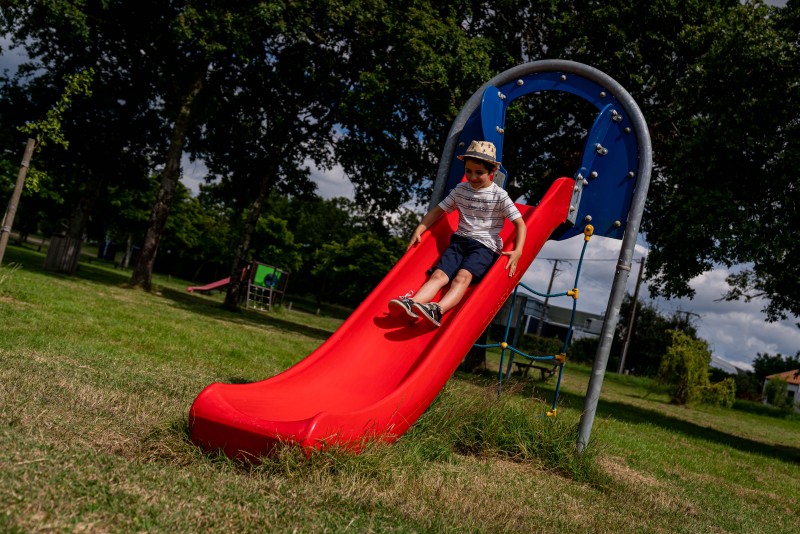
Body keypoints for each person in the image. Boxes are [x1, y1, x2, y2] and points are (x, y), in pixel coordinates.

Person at [388, 140, 526, 327]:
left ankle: (437, 309)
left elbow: (520, 224)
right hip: (459, 241)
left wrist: (518, 251)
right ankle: (413, 305)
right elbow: (438, 211)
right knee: (438, 276)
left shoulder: (499, 196)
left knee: (462, 277)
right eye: (468, 171)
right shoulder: (460, 190)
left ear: (492, 172)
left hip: (485, 247)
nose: (472, 177)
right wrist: (420, 228)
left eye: (479, 173)